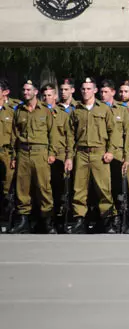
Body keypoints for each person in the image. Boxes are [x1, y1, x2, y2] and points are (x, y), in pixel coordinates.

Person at [65, 77, 118, 234]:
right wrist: (69, 156)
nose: (85, 91)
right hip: (81, 153)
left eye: (89, 89)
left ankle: (107, 220)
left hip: (99, 153)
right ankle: (79, 220)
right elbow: (70, 135)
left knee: (104, 189)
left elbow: (113, 132)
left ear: (95, 90)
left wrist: (110, 151)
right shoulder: (76, 110)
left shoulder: (104, 109)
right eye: (83, 89)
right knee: (78, 189)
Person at [9, 79, 59, 234]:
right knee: (22, 188)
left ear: (36, 92)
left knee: (44, 187)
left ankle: (47, 222)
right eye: (24, 90)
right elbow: (14, 135)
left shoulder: (45, 110)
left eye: (28, 90)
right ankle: (23, 221)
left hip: (40, 152)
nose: (25, 93)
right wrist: (13, 156)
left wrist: (52, 153)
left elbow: (53, 133)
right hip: (23, 152)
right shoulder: (19, 110)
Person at [100, 79, 129, 232]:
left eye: (106, 92)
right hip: (100, 155)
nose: (103, 95)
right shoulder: (97, 109)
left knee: (117, 188)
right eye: (101, 92)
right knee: (102, 189)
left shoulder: (122, 110)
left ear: (113, 92)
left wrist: (127, 157)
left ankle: (119, 218)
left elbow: (127, 136)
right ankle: (106, 219)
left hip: (117, 155)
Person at [41, 83, 71, 233]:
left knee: (58, 190)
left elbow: (69, 138)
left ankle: (59, 220)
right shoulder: (38, 112)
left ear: (56, 96)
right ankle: (44, 220)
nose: (47, 98)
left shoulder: (63, 114)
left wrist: (68, 157)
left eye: (50, 95)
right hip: (41, 155)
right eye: (45, 95)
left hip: (58, 156)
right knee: (42, 189)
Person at [0, 79, 17, 219]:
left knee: (8, 187)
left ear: (5, 92)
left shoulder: (14, 109)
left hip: (7, 153)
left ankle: (8, 217)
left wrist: (14, 156)